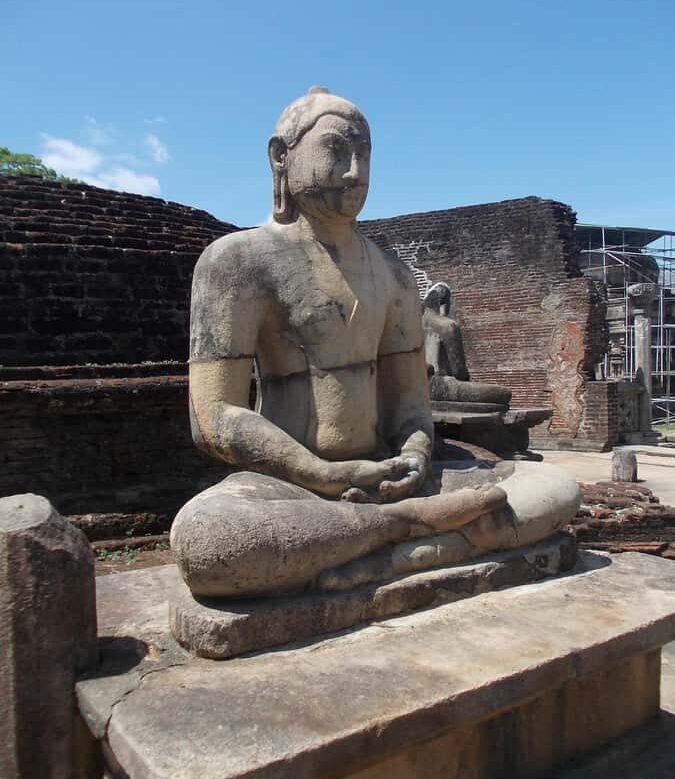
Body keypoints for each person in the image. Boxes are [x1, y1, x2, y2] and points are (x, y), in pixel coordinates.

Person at [171, 88, 577, 598]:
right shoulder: (236, 262)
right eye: (338, 149)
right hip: (292, 488)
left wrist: (415, 451)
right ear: (281, 156)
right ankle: (412, 531)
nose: (356, 170)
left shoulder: (395, 277)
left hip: (387, 473)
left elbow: (410, 403)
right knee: (209, 545)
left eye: (365, 154)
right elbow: (212, 418)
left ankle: (405, 545)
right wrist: (320, 472)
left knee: (557, 488)